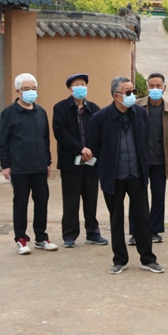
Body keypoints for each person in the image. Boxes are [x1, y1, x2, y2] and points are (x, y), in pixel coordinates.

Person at [89, 76, 164, 275]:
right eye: (129, 92)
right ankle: (120, 259)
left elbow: (144, 141)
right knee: (116, 219)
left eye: (134, 91)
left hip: (136, 174)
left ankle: (147, 258)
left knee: (143, 218)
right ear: (117, 96)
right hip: (113, 176)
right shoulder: (100, 118)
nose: (133, 96)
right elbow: (94, 148)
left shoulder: (140, 113)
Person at [0, 72, 58, 254]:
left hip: (39, 167)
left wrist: (47, 161)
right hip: (20, 167)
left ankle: (41, 237)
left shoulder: (41, 112)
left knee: (41, 202)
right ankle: (21, 239)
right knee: (21, 203)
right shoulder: (9, 113)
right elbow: (3, 140)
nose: (30, 91)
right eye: (26, 89)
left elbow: (45, 139)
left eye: (33, 88)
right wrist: (5, 164)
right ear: (18, 91)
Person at [52, 73, 108, 248]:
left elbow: (101, 132)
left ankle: (93, 233)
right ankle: (69, 235)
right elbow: (60, 133)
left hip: (91, 163)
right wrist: (79, 148)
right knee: (71, 200)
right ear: (70, 88)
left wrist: (91, 151)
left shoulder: (94, 108)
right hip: (70, 162)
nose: (80, 87)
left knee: (91, 199)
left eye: (83, 84)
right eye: (76, 84)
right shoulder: (61, 108)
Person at [128, 72, 168, 245]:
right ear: (147, 87)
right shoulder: (137, 106)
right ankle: (136, 232)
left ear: (164, 88)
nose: (155, 89)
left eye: (158, 86)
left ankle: (154, 230)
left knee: (158, 196)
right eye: (151, 86)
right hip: (140, 161)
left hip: (160, 161)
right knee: (137, 197)